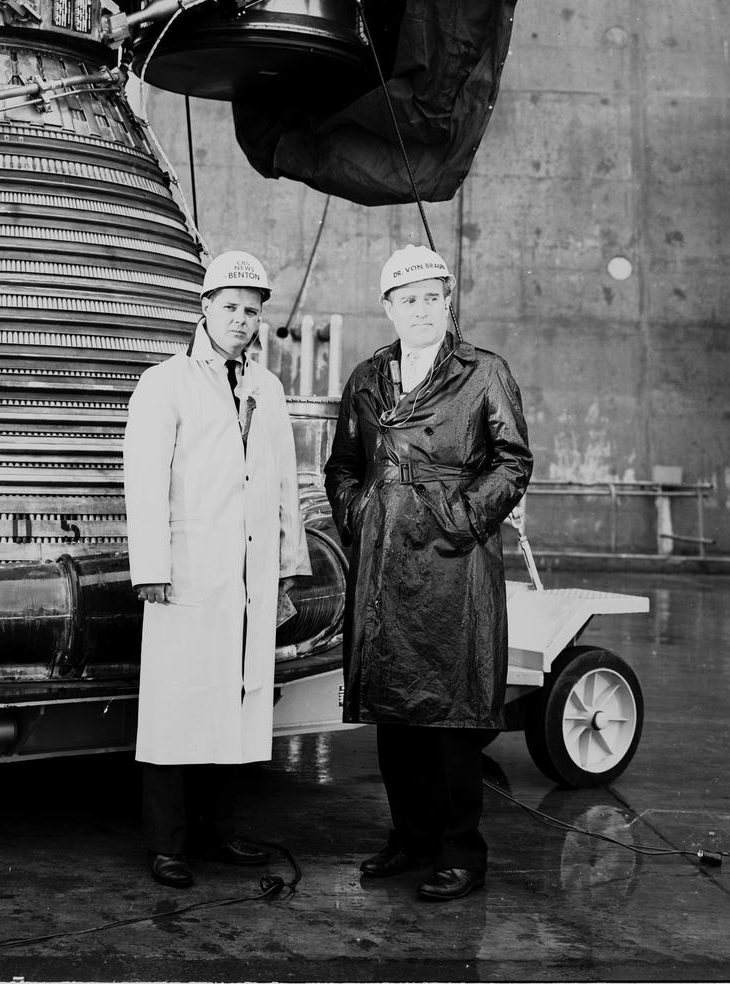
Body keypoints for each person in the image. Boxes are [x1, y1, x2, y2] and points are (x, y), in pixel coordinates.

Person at [324, 244, 533, 902]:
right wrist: (361, 513)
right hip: (386, 561)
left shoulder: (484, 372)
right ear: (388, 308)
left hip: (454, 564)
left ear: (448, 302)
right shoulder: (367, 377)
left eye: (431, 298)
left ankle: (460, 852)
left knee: (451, 715)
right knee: (396, 711)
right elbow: (341, 464)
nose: (420, 309)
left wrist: (459, 519)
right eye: (407, 300)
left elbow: (511, 461)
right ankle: (410, 838)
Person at [123, 249, 310, 889]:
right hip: (187, 573)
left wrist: (287, 565)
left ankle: (219, 830)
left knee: (234, 700)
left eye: (251, 312)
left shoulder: (267, 388)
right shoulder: (166, 382)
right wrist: (152, 565)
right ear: (204, 307)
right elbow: (144, 480)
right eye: (230, 307)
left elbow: (283, 481)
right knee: (177, 705)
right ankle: (167, 844)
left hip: (248, 576)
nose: (240, 320)